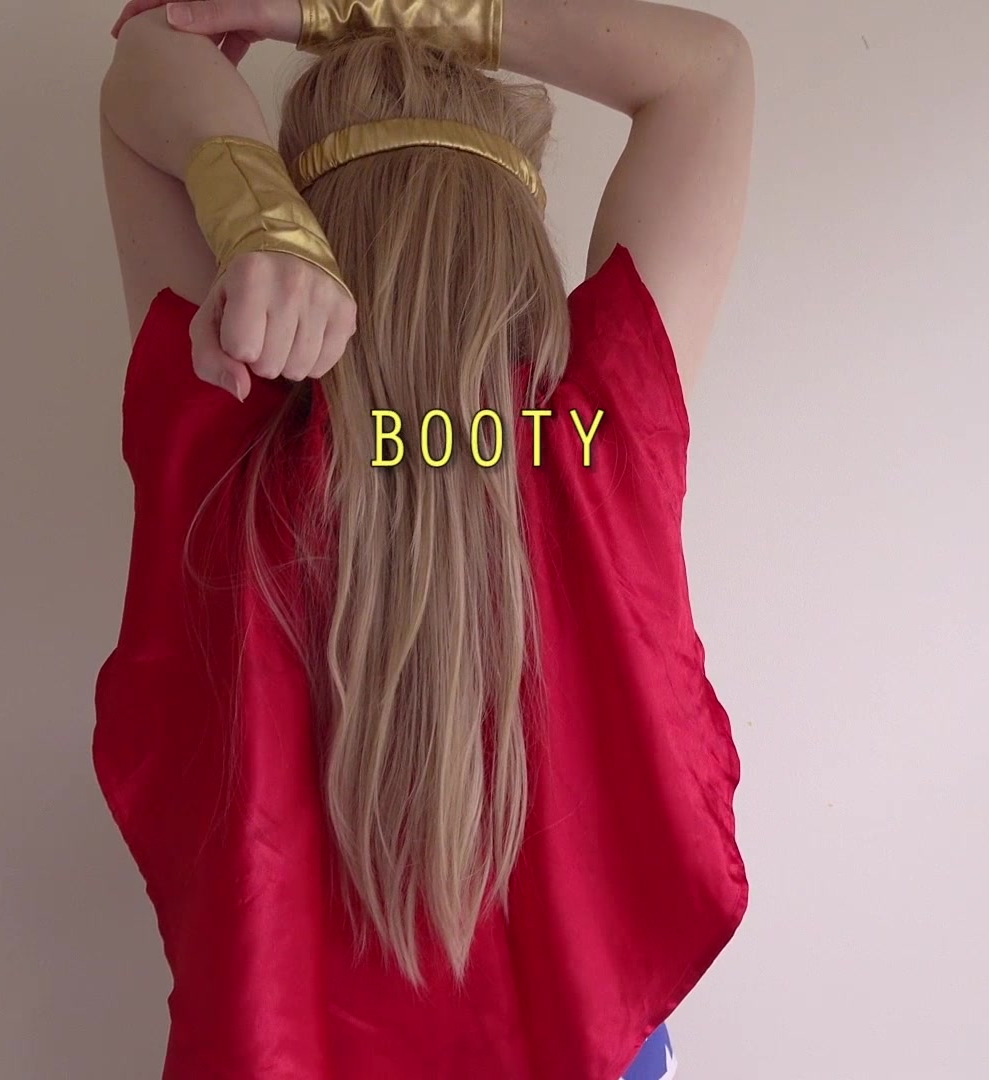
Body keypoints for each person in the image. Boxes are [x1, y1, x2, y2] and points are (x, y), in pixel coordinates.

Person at [93, 0, 753, 1075]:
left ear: (320, 235)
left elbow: (145, 52)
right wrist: (341, 5)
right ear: (517, 235)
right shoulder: (598, 436)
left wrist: (259, 216)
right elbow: (708, 69)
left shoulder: (231, 440)